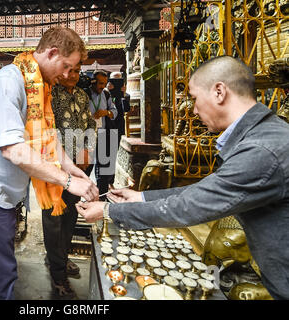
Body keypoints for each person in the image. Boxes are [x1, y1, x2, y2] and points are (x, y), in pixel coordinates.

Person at [76, 56, 289, 300]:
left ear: (219, 92)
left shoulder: (263, 150)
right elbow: (207, 190)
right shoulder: (261, 138)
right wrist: (141, 196)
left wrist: (108, 211)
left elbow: (191, 205)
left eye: (195, 99)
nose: (195, 110)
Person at [0, 26, 99, 300]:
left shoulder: (38, 84)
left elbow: (48, 135)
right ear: (51, 52)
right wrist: (68, 181)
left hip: (8, 191)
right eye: (65, 66)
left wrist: (71, 168)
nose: (66, 74)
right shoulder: (9, 82)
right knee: (3, 272)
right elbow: (14, 150)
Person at [43, 62, 97, 298]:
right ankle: (57, 274)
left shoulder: (82, 96)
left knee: (71, 215)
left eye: (77, 71)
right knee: (54, 218)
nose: (73, 76)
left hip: (76, 170)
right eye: (69, 71)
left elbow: (91, 125)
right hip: (54, 168)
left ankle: (61, 259)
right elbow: (45, 129)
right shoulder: (49, 93)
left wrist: (88, 149)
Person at [88, 70, 118, 196]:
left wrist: (105, 112)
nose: (102, 86)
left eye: (104, 83)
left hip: (103, 134)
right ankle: (78, 200)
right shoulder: (84, 94)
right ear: (93, 81)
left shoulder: (106, 94)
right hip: (87, 136)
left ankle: (102, 198)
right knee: (86, 167)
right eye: (100, 83)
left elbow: (114, 112)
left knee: (104, 169)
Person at [107, 71, 130, 143]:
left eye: (118, 80)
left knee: (116, 144)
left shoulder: (126, 95)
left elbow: (126, 109)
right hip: (108, 122)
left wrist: (123, 95)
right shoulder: (105, 93)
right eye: (114, 80)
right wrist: (108, 91)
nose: (116, 83)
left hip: (119, 123)